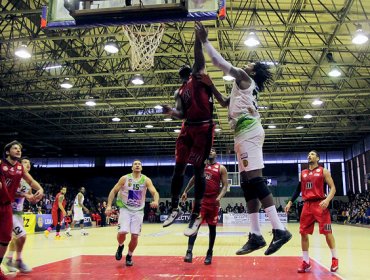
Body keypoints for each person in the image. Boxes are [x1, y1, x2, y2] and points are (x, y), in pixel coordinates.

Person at [195, 22, 292, 256]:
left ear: (254, 71)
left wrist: (205, 41)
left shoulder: (244, 77)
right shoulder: (242, 89)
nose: (245, 64)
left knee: (255, 180)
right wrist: (211, 87)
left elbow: (219, 63)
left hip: (249, 131)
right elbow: (224, 104)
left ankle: (279, 230)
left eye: (250, 63)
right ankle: (256, 235)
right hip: (242, 133)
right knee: (248, 183)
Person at [161, 27, 218, 237]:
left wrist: (197, 39)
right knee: (178, 169)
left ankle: (195, 215)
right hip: (188, 128)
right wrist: (171, 112)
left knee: (198, 171)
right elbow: (181, 114)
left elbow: (197, 56)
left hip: (203, 127)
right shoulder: (179, 90)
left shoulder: (198, 77)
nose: (185, 69)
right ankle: (174, 207)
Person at [285, 150, 338, 273]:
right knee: (303, 233)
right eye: (308, 154)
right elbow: (298, 189)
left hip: (321, 205)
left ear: (318, 158)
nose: (309, 156)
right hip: (307, 206)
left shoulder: (324, 171)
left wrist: (327, 200)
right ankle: (306, 262)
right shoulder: (302, 173)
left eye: (312, 154)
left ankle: (335, 259)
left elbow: (333, 188)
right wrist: (290, 202)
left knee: (327, 232)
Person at [0, 141, 43, 279]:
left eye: (20, 149)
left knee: (6, 238)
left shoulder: (20, 169)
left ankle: (11, 260)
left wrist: (40, 189)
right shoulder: (1, 164)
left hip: (8, 206)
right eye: (15, 148)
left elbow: (31, 182)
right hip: (6, 206)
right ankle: (15, 259)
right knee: (19, 236)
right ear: (7, 152)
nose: (18, 150)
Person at [105, 160, 159, 267]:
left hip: (138, 211)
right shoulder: (125, 178)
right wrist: (109, 206)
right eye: (135, 164)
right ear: (132, 167)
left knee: (135, 236)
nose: (137, 165)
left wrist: (156, 201)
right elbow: (114, 191)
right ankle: (120, 246)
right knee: (122, 232)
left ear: (141, 168)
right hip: (125, 209)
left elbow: (154, 192)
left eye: (139, 164)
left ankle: (129, 255)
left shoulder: (146, 180)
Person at [181, 148, 228, 265]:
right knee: (195, 226)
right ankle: (189, 252)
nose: (211, 151)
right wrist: (185, 191)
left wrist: (219, 197)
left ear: (216, 154)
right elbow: (193, 179)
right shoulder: (200, 166)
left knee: (212, 229)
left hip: (213, 201)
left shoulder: (221, 168)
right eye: (209, 150)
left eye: (213, 150)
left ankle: (209, 253)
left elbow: (225, 185)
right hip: (201, 200)